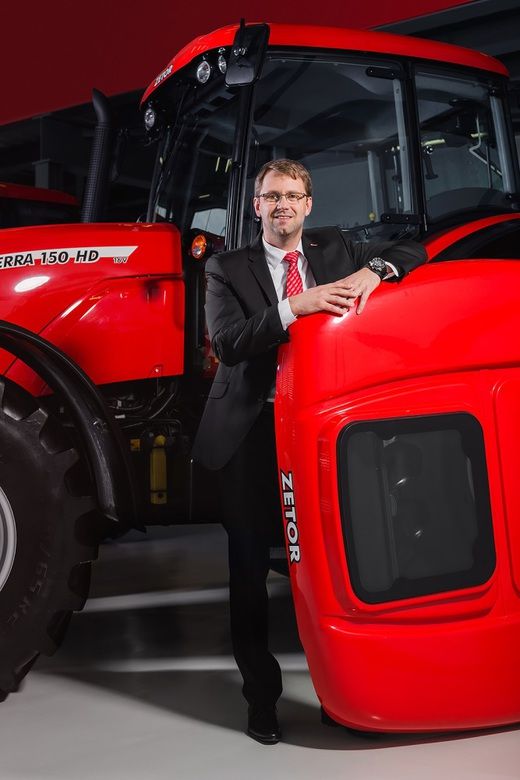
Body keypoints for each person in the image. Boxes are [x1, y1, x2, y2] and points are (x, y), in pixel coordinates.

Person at [192, 159, 427, 744]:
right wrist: (298, 305)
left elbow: (413, 249)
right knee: (249, 571)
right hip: (252, 432)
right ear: (257, 206)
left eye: (293, 196)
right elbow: (228, 343)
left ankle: (336, 693)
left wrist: (375, 271)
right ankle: (261, 701)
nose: (283, 205)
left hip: (321, 431)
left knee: (329, 561)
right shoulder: (225, 267)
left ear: (308, 205)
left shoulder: (335, 246)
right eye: (272, 196)